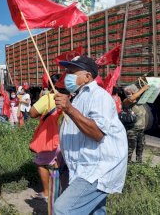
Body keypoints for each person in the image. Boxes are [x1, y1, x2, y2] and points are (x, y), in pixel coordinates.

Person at [53, 55, 128, 214]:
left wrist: (69, 109)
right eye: (67, 71)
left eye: (72, 71)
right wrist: (62, 157)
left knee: (62, 209)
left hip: (97, 168)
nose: (67, 75)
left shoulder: (98, 96)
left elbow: (97, 133)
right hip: (84, 166)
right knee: (95, 212)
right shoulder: (79, 97)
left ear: (87, 77)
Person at [29, 74, 62, 205]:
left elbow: (32, 113)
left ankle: (47, 193)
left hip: (50, 137)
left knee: (41, 163)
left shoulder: (49, 98)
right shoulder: (69, 98)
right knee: (57, 164)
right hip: (63, 137)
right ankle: (58, 190)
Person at [122, 84, 150, 163]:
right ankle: (127, 165)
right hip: (132, 130)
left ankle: (139, 164)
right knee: (130, 149)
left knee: (140, 148)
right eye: (127, 93)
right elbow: (131, 99)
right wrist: (143, 89)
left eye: (131, 93)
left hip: (141, 130)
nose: (129, 95)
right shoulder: (126, 102)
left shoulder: (140, 101)